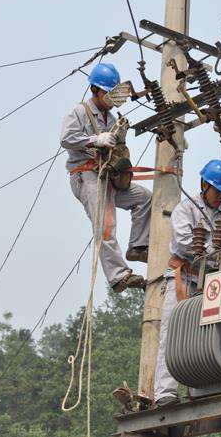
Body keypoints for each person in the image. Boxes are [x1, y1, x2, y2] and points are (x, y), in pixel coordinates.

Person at [60, 62, 151, 293]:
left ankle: (138, 246)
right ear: (95, 90)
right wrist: (94, 140)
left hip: (107, 176)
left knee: (144, 197)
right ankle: (118, 277)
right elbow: (66, 139)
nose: (110, 99)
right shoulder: (80, 112)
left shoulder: (110, 118)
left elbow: (116, 151)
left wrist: (119, 137)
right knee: (106, 224)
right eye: (107, 94)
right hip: (86, 175)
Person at [153, 160, 221, 408]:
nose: (220, 197)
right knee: (172, 333)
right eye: (217, 191)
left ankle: (201, 387)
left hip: (210, 282)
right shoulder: (185, 210)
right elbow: (186, 244)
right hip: (184, 279)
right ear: (204, 185)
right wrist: (216, 252)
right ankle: (165, 392)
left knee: (207, 335)